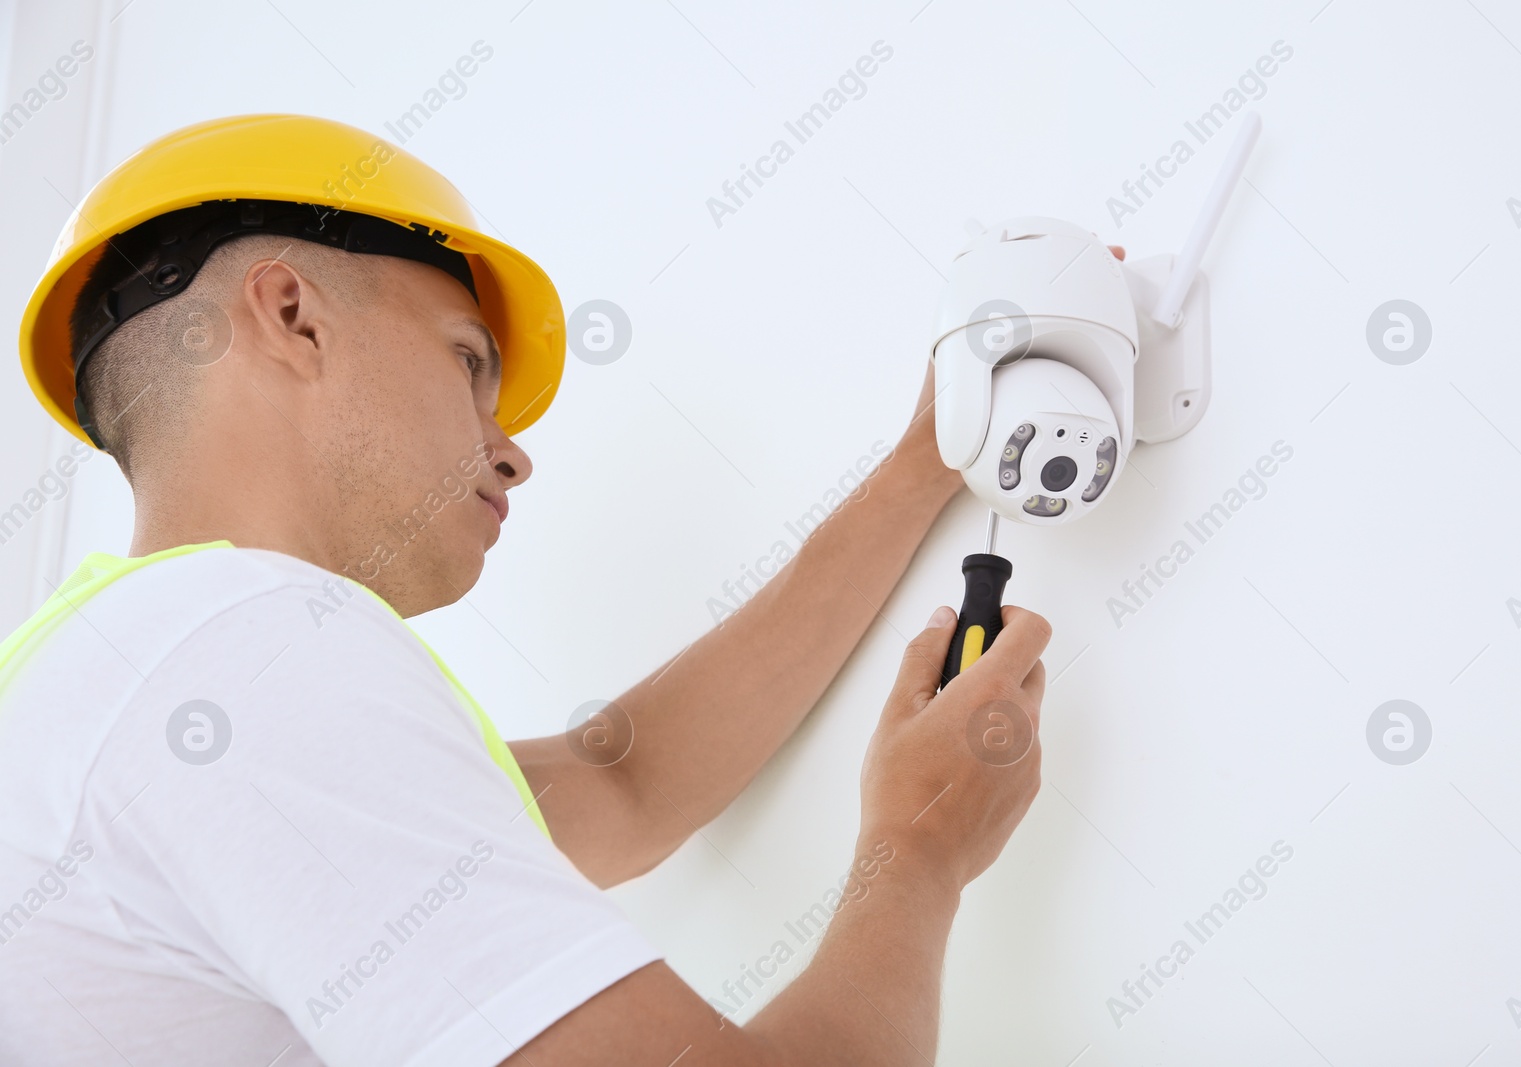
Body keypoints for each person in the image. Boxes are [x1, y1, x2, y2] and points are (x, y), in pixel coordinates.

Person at [1, 114, 1112, 1065]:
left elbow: (624, 781)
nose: (509, 449)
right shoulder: (241, 654)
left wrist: (929, 460)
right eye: (469, 361)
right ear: (292, 313)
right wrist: (918, 849)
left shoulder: (119, 683)